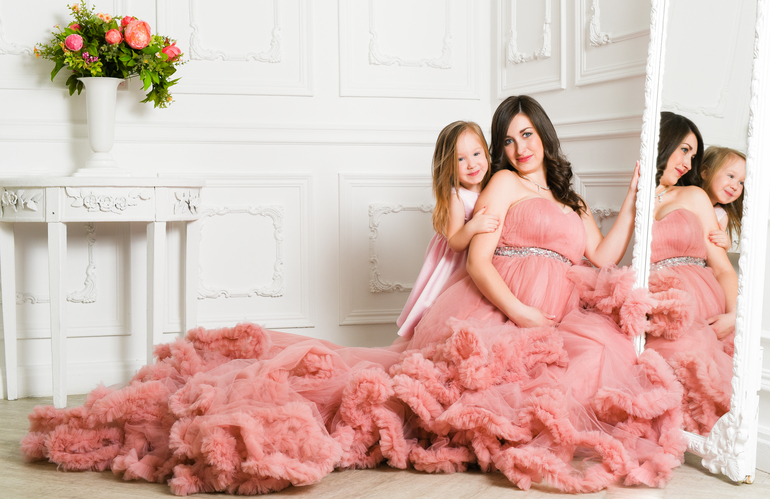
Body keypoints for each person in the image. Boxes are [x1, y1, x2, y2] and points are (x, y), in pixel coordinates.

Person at [20, 97, 685, 495]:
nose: (518, 147)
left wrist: (634, 202)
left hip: (558, 306)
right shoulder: (503, 186)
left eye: (526, 134)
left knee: (588, 372)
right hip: (500, 304)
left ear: (544, 133)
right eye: (507, 138)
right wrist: (520, 313)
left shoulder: (571, 199)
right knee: (421, 394)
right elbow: (480, 263)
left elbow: (601, 257)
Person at [644, 112, 737, 435]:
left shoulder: (694, 196)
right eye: (684, 149)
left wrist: (734, 314)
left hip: (696, 300)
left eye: (693, 155)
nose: (687, 162)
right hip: (651, 302)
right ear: (662, 142)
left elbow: (722, 267)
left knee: (690, 361)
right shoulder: (637, 198)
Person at [396, 121, 498, 339]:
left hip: (476, 256)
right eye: (460, 159)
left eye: (476, 154)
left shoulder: (493, 184)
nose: (471, 164)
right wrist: (473, 226)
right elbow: (455, 242)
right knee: (440, 303)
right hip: (454, 261)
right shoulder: (457, 197)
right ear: (448, 166)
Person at [696, 146, 746, 251]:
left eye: (741, 183)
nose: (735, 186)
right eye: (731, 176)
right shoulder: (687, 198)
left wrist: (725, 245)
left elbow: (715, 251)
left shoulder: (721, 216)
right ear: (705, 173)